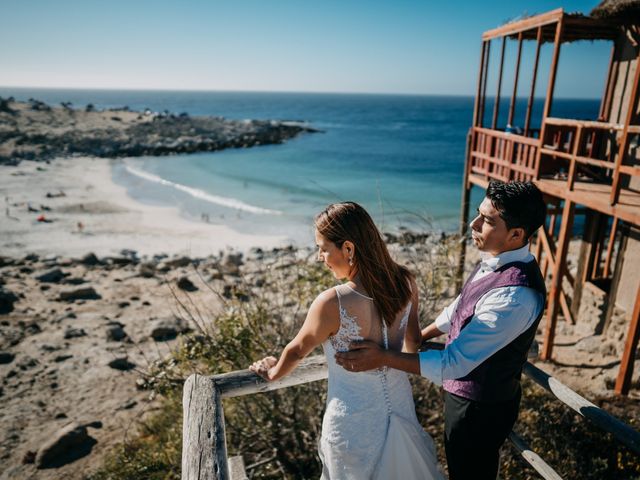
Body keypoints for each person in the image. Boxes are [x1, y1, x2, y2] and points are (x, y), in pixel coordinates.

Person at [336, 181, 547, 480]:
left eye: (487, 221)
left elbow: (453, 363)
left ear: (516, 234)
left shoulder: (515, 297)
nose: (473, 224)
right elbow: (460, 307)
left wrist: (382, 356)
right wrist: (421, 336)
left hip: (481, 408)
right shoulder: (497, 260)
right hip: (466, 398)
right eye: (478, 213)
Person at [250, 201, 443, 480]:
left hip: (354, 422)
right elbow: (413, 343)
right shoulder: (405, 281)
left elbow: (296, 351)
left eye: (323, 248)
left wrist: (271, 372)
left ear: (349, 248)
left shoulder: (333, 302)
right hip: (400, 408)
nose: (320, 257)